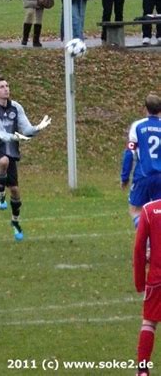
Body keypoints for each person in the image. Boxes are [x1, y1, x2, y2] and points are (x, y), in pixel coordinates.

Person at [0, 77, 51, 240]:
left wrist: (37, 128)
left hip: (9, 150)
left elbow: (26, 128)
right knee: (3, 161)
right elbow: (0, 133)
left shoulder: (16, 107)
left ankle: (15, 221)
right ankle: (0, 195)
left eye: (7, 86)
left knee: (15, 191)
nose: (6, 89)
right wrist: (18, 137)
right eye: (1, 86)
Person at [121, 94, 161, 230]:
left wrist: (125, 177)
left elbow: (130, 152)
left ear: (145, 108)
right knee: (158, 212)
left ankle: (148, 243)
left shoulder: (138, 126)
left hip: (143, 175)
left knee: (135, 210)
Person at [133, 197, 161, 376]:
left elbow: (139, 247)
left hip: (156, 279)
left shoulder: (149, 210)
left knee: (149, 322)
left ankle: (142, 370)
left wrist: (139, 281)